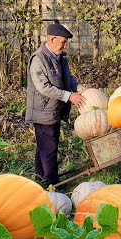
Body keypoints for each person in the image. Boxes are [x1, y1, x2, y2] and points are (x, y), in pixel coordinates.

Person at [25, 21, 86, 189]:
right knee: (49, 148)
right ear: (52, 39)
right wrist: (69, 96)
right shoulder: (38, 59)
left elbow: (68, 78)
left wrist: (78, 88)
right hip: (43, 112)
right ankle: (53, 184)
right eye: (63, 41)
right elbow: (43, 87)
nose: (64, 45)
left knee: (44, 146)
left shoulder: (60, 57)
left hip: (54, 110)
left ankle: (40, 177)